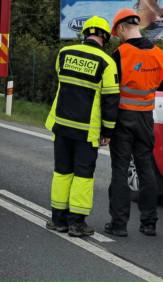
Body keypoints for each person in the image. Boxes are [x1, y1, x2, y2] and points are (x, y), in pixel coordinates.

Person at [45, 16, 119, 237]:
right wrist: (107, 131)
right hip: (87, 130)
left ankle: (58, 220)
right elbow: (110, 100)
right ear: (104, 36)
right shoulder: (107, 62)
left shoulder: (64, 54)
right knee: (83, 176)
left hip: (61, 125)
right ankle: (77, 224)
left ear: (85, 33)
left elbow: (62, 81)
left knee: (62, 172)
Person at [104, 9, 163, 237]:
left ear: (121, 28)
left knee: (120, 170)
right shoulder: (158, 53)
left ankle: (119, 224)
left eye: (117, 32)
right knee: (146, 169)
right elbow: (160, 83)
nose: (117, 37)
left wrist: (106, 125)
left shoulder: (120, 54)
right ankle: (149, 223)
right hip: (146, 119)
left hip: (123, 118)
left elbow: (110, 91)